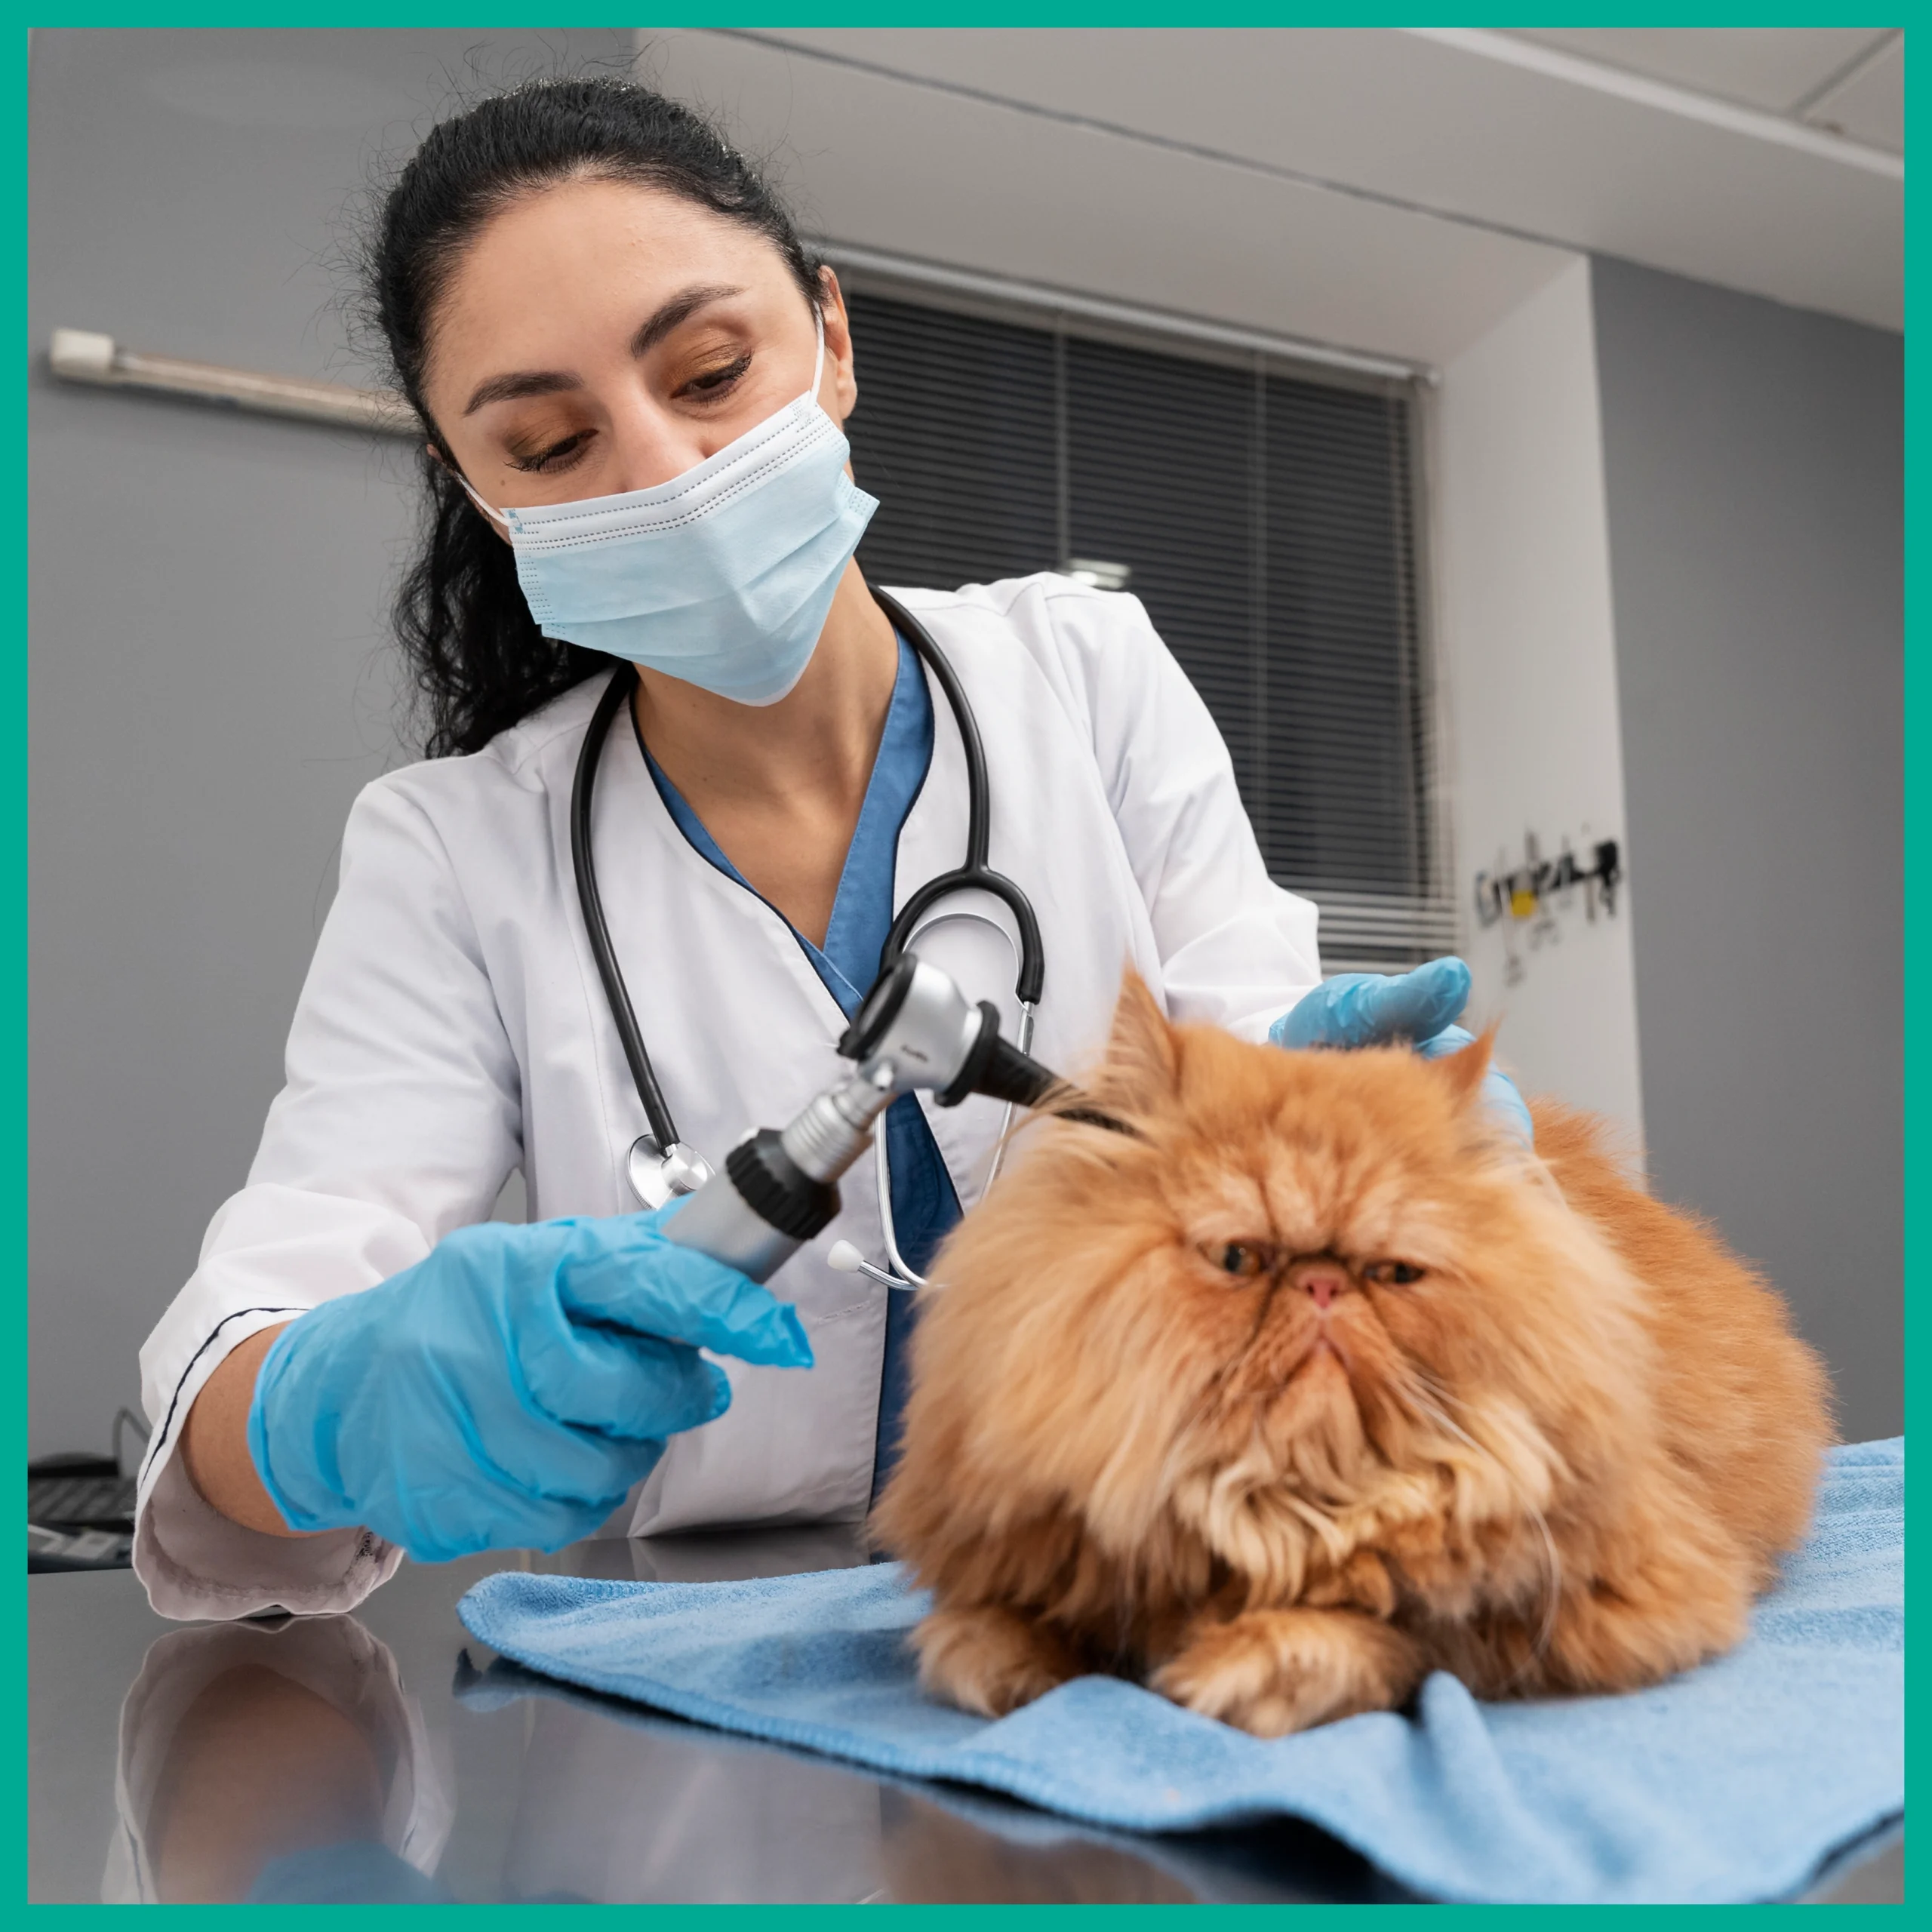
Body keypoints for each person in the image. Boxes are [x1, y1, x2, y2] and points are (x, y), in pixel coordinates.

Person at [134, 76, 1520, 1622]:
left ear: (833, 341)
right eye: (547, 441)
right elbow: (256, 1323)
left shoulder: (1087, 671)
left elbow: (1256, 1076)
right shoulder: (454, 850)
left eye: (710, 371)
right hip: (684, 1700)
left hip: (1146, 1585)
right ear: (483, 496)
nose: (659, 470)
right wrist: (322, 1406)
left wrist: (1374, 1136)